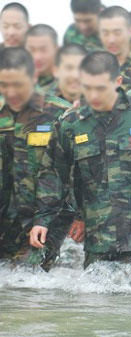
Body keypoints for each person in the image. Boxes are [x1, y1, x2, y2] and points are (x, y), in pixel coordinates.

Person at [29, 51, 131, 275]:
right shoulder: (71, 123)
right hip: (98, 230)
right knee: (99, 297)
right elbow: (54, 174)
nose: (93, 95)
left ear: (117, 82)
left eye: (100, 88)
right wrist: (44, 219)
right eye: (87, 87)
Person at [0, 47, 73, 271]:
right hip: (6, 218)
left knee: (29, 281)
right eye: (4, 84)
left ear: (33, 77)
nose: (11, 92)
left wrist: (78, 218)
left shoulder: (61, 114)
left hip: (46, 218)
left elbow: (76, 172)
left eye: (18, 84)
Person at [98, 6, 131, 91]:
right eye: (105, 33)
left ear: (130, 31)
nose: (111, 40)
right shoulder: (92, 64)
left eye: (117, 33)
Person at [25, 24, 59, 93]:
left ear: (57, 50)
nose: (37, 57)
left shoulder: (67, 83)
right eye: (32, 50)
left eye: (43, 50)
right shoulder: (14, 81)